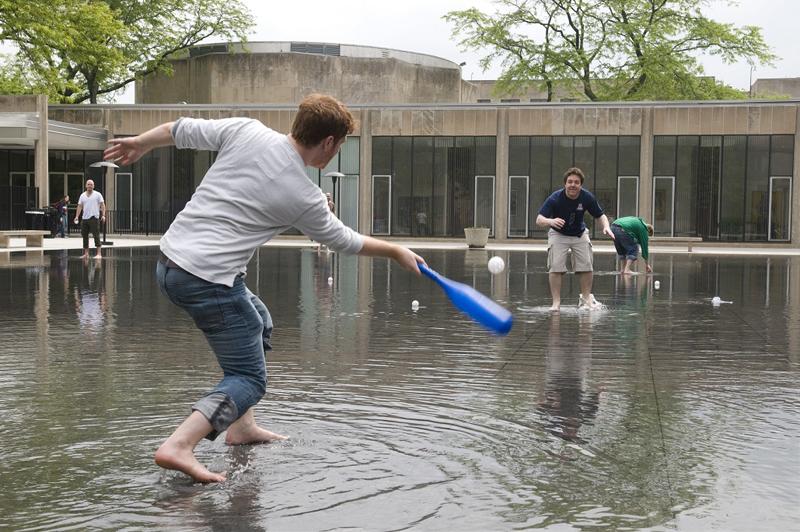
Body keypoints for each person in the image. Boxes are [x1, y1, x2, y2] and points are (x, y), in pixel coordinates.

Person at [103, 93, 425, 484]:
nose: (336, 152)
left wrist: (140, 142)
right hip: (208, 281)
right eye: (339, 146)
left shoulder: (247, 130)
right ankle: (180, 444)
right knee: (249, 378)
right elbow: (343, 240)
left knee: (258, 321)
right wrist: (394, 251)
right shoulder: (304, 195)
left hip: (171, 263)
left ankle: (241, 428)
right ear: (328, 143)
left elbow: (180, 129)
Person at [535, 167, 614, 312]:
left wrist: (606, 226)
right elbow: (539, 219)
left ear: (580, 185)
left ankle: (585, 300)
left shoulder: (586, 197)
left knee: (586, 265)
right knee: (556, 267)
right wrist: (551, 222)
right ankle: (556, 303)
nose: (573, 185)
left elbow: (600, 215)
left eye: (576, 182)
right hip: (558, 234)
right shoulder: (555, 198)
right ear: (565, 184)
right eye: (570, 182)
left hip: (579, 233)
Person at [74, 180, 105, 258]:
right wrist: (77, 216)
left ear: (93, 186)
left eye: (91, 184)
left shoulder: (98, 194)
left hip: (94, 217)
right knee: (84, 235)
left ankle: (99, 253)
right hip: (85, 218)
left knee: (96, 235)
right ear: (86, 185)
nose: (90, 186)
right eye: (88, 184)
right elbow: (80, 206)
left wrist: (103, 215)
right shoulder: (82, 195)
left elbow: (102, 205)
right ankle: (86, 253)